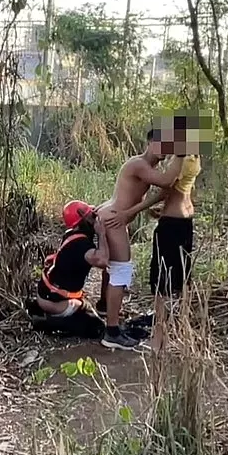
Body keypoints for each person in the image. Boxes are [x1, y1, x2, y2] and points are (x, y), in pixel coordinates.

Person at [94, 128, 186, 350]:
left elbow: (135, 195)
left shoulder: (145, 166)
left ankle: (106, 309)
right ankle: (112, 332)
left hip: (113, 217)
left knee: (114, 268)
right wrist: (183, 154)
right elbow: (166, 181)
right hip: (114, 220)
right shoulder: (139, 164)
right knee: (122, 270)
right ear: (152, 143)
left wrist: (145, 209)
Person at [26, 200, 111, 339]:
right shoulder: (80, 244)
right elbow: (103, 261)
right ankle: (50, 323)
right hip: (55, 302)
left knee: (86, 308)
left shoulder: (72, 234)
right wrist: (101, 234)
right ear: (82, 221)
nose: (94, 219)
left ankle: (39, 309)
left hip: (47, 294)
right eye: (91, 216)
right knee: (96, 328)